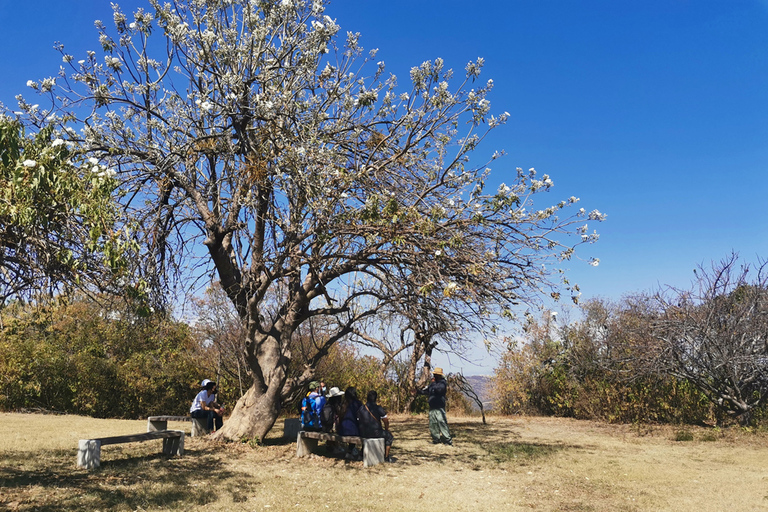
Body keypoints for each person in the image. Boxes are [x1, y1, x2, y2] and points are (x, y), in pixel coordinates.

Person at [417, 367, 452, 445]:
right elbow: (427, 391)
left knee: (441, 422)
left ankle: (447, 440)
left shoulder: (443, 383)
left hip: (439, 407)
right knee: (433, 424)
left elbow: (439, 390)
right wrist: (418, 391)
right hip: (432, 406)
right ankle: (436, 439)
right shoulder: (433, 383)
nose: (434, 375)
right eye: (434, 374)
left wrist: (433, 384)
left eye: (436, 374)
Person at [357, 390, 394, 462]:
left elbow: (358, 420)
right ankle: (386, 457)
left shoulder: (361, 408)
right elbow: (386, 421)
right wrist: (386, 429)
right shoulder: (378, 408)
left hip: (362, 433)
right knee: (389, 436)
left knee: (366, 437)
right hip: (376, 433)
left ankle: (361, 454)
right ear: (376, 398)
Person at [338, 387, 363, 459]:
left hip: (342, 430)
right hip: (353, 430)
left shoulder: (344, 404)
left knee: (352, 429)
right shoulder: (357, 403)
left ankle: (350, 451)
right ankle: (361, 453)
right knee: (364, 433)